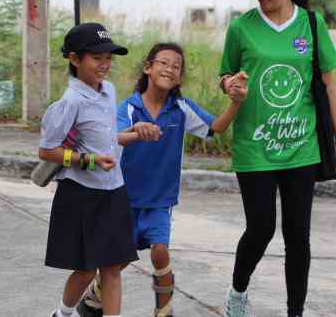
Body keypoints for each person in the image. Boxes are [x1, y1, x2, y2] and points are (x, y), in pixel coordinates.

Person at [219, 0, 336, 317]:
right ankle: (238, 293)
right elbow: (225, 75)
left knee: (299, 236)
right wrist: (229, 85)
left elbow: (328, 84)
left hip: (301, 147)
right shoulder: (241, 29)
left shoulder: (311, 23)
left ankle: (296, 311)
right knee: (260, 229)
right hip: (254, 147)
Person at [77, 42, 247, 317]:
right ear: (148, 68)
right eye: (164, 63)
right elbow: (114, 137)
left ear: (179, 77)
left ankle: (164, 312)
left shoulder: (180, 108)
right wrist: (136, 129)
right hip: (123, 198)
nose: (170, 69)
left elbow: (215, 128)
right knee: (118, 263)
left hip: (160, 200)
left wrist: (236, 102)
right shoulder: (129, 107)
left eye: (176, 66)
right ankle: (95, 297)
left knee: (159, 252)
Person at [39, 22, 160, 317]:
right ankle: (63, 314)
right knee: (84, 271)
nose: (105, 64)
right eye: (97, 58)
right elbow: (47, 151)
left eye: (109, 57)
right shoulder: (70, 102)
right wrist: (89, 161)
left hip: (113, 191)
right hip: (81, 195)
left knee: (113, 268)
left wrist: (136, 131)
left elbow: (105, 138)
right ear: (74, 59)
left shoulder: (108, 90)